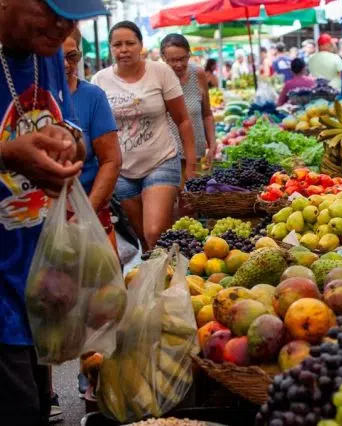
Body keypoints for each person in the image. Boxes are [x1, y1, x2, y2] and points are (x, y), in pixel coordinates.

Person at [0, 0, 106, 424]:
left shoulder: (46, 52)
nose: (64, 27)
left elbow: (73, 128)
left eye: (73, 17)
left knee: (39, 407)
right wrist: (8, 154)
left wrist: (67, 144)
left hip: (35, 278)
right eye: (53, 11)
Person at [92, 21, 196, 251]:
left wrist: (190, 166)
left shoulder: (160, 72)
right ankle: (159, 281)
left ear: (141, 45)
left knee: (154, 231)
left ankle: (169, 279)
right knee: (144, 240)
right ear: (110, 48)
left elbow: (183, 120)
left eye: (130, 43)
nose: (124, 49)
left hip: (161, 160)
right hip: (121, 170)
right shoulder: (100, 80)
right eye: (117, 44)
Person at [63, 29, 121, 249]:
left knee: (101, 280)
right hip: (37, 215)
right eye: (56, 58)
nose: (67, 65)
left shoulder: (93, 97)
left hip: (88, 206)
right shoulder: (27, 98)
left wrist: (87, 211)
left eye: (72, 57)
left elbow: (111, 161)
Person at [160, 34, 216, 178]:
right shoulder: (158, 78)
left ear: (189, 54)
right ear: (163, 58)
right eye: (172, 60)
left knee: (193, 197)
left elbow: (207, 114)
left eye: (182, 58)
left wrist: (212, 143)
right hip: (167, 159)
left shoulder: (198, 74)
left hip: (197, 154)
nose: (178, 64)